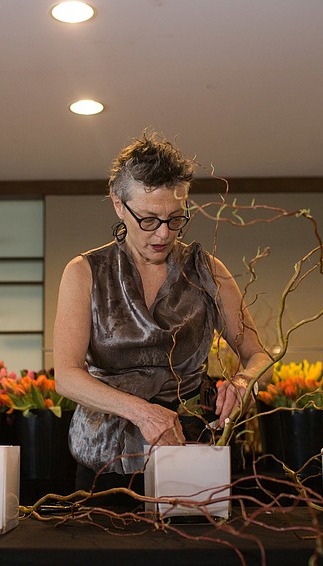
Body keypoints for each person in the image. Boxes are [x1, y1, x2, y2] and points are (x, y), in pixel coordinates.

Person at [53, 131, 272, 502]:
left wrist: (244, 382)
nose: (164, 234)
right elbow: (67, 377)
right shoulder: (84, 272)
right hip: (105, 459)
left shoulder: (208, 271)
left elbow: (258, 354)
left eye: (175, 219)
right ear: (119, 205)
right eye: (150, 220)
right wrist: (142, 412)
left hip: (190, 448)